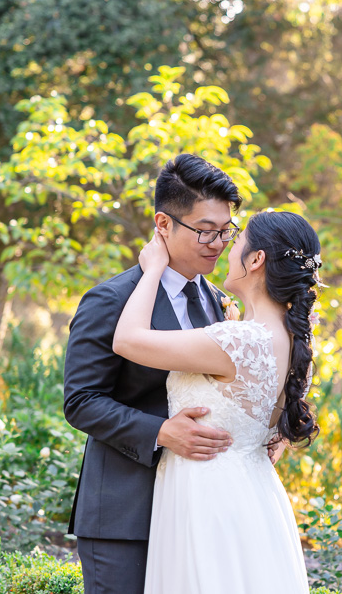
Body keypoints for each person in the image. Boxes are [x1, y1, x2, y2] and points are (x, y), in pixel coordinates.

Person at [64, 154, 247, 594]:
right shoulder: (109, 299)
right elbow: (81, 401)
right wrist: (162, 432)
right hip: (125, 515)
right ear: (163, 224)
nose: (218, 243)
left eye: (226, 231)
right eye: (204, 230)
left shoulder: (220, 302)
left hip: (197, 510)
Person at [112, 209, 321, 594]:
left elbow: (126, 340)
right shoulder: (295, 346)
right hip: (256, 495)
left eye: (237, 240)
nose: (226, 246)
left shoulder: (238, 341)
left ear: (256, 259)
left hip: (208, 499)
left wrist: (153, 268)